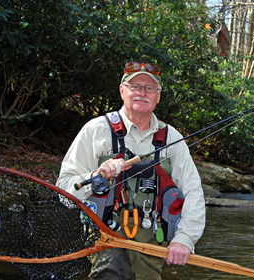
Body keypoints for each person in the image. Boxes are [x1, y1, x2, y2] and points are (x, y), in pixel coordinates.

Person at [56, 62, 206, 280]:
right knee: (110, 271)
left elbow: (192, 191)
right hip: (104, 238)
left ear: (158, 95)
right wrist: (94, 177)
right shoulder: (95, 130)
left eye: (149, 88)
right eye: (135, 86)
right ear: (122, 90)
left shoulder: (172, 138)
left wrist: (184, 238)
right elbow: (64, 192)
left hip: (152, 244)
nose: (141, 93)